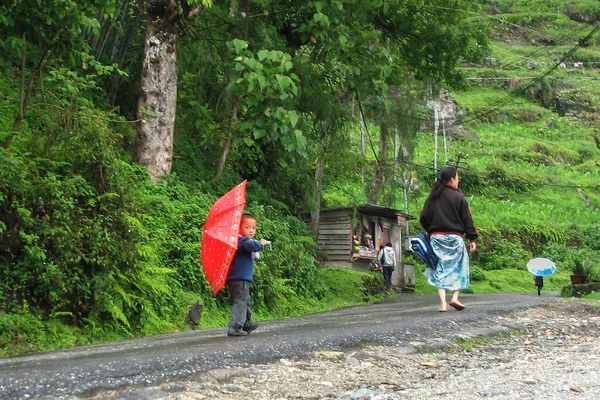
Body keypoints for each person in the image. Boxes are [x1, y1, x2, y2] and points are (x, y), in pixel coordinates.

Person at [419, 166, 478, 312]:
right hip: (455, 238)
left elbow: (423, 217)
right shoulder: (459, 198)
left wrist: (431, 230)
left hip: (436, 238)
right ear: (452, 179)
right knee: (460, 267)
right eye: (457, 177)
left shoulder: (432, 197)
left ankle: (443, 303)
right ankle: (455, 298)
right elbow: (467, 219)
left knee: (439, 267)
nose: (458, 181)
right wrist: (472, 238)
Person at [226, 213, 269, 336]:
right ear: (239, 228)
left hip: (238, 277)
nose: (251, 230)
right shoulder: (241, 241)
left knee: (245, 299)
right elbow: (252, 246)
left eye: (253, 228)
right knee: (240, 300)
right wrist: (261, 244)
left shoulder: (240, 240)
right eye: (247, 227)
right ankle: (235, 326)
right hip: (240, 277)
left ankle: (246, 322)